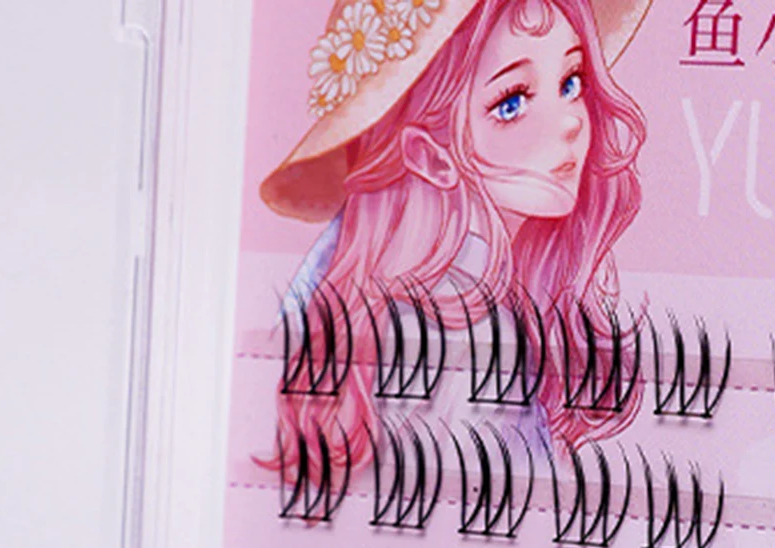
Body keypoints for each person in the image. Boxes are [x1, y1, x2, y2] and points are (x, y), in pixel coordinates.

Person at [263, 0, 650, 460]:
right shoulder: (461, 320)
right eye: (512, 103)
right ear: (428, 156)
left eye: (571, 83)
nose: (570, 121)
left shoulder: (400, 287)